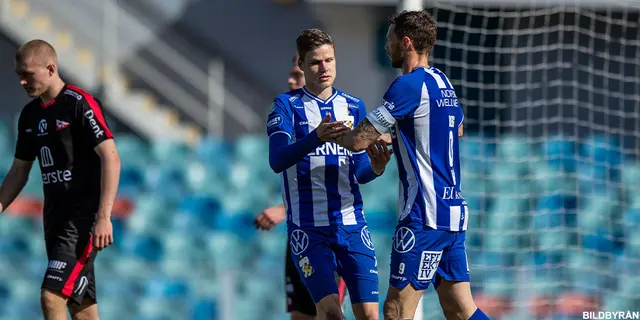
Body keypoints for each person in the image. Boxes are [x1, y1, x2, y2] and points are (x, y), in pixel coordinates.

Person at [335, 10, 490, 320]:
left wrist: (322, 135)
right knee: (459, 309)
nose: (385, 46)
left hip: (424, 215)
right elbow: (455, 127)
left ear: (405, 43)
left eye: (389, 39)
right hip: (452, 212)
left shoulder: (407, 85)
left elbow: (358, 141)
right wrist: (404, 134)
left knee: (395, 310)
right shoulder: (441, 81)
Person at [267, 28, 392, 320]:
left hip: (352, 226)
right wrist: (315, 138)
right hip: (309, 230)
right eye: (315, 62)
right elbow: (277, 159)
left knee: (370, 315)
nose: (324, 68)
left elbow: (359, 171)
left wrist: (376, 168)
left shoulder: (353, 105)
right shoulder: (286, 106)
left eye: (329, 60)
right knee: (330, 312)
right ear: (301, 64)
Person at [0, 39, 120, 320]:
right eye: (18, 75)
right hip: (54, 220)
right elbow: (19, 170)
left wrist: (104, 216)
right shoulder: (29, 116)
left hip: (82, 221)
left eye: (27, 74)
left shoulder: (79, 104)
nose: (21, 82)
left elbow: (111, 157)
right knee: (82, 310)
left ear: (51, 68)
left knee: (51, 296)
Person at [255, 54, 348, 320]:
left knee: (328, 313)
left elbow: (337, 181)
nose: (289, 80)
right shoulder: (287, 115)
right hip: (299, 233)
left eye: (296, 75)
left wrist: (283, 210)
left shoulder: (334, 118)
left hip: (327, 233)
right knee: (300, 315)